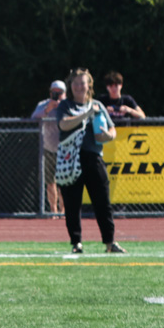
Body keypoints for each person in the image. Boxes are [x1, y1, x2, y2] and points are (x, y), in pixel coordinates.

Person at [55, 68, 122, 254]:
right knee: (72, 203)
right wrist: (86, 114)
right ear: (71, 85)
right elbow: (63, 124)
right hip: (71, 159)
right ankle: (76, 243)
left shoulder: (97, 105)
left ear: (88, 85)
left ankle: (110, 243)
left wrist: (108, 135)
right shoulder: (65, 105)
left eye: (82, 83)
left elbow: (112, 129)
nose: (79, 86)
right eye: (75, 83)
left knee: (103, 201)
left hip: (93, 158)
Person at [31, 79, 67, 218]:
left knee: (64, 183)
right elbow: (34, 117)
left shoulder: (69, 105)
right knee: (50, 182)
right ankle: (53, 211)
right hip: (48, 149)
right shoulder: (43, 104)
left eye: (60, 93)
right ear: (50, 92)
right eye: (54, 92)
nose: (57, 95)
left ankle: (64, 211)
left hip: (65, 150)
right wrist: (48, 109)